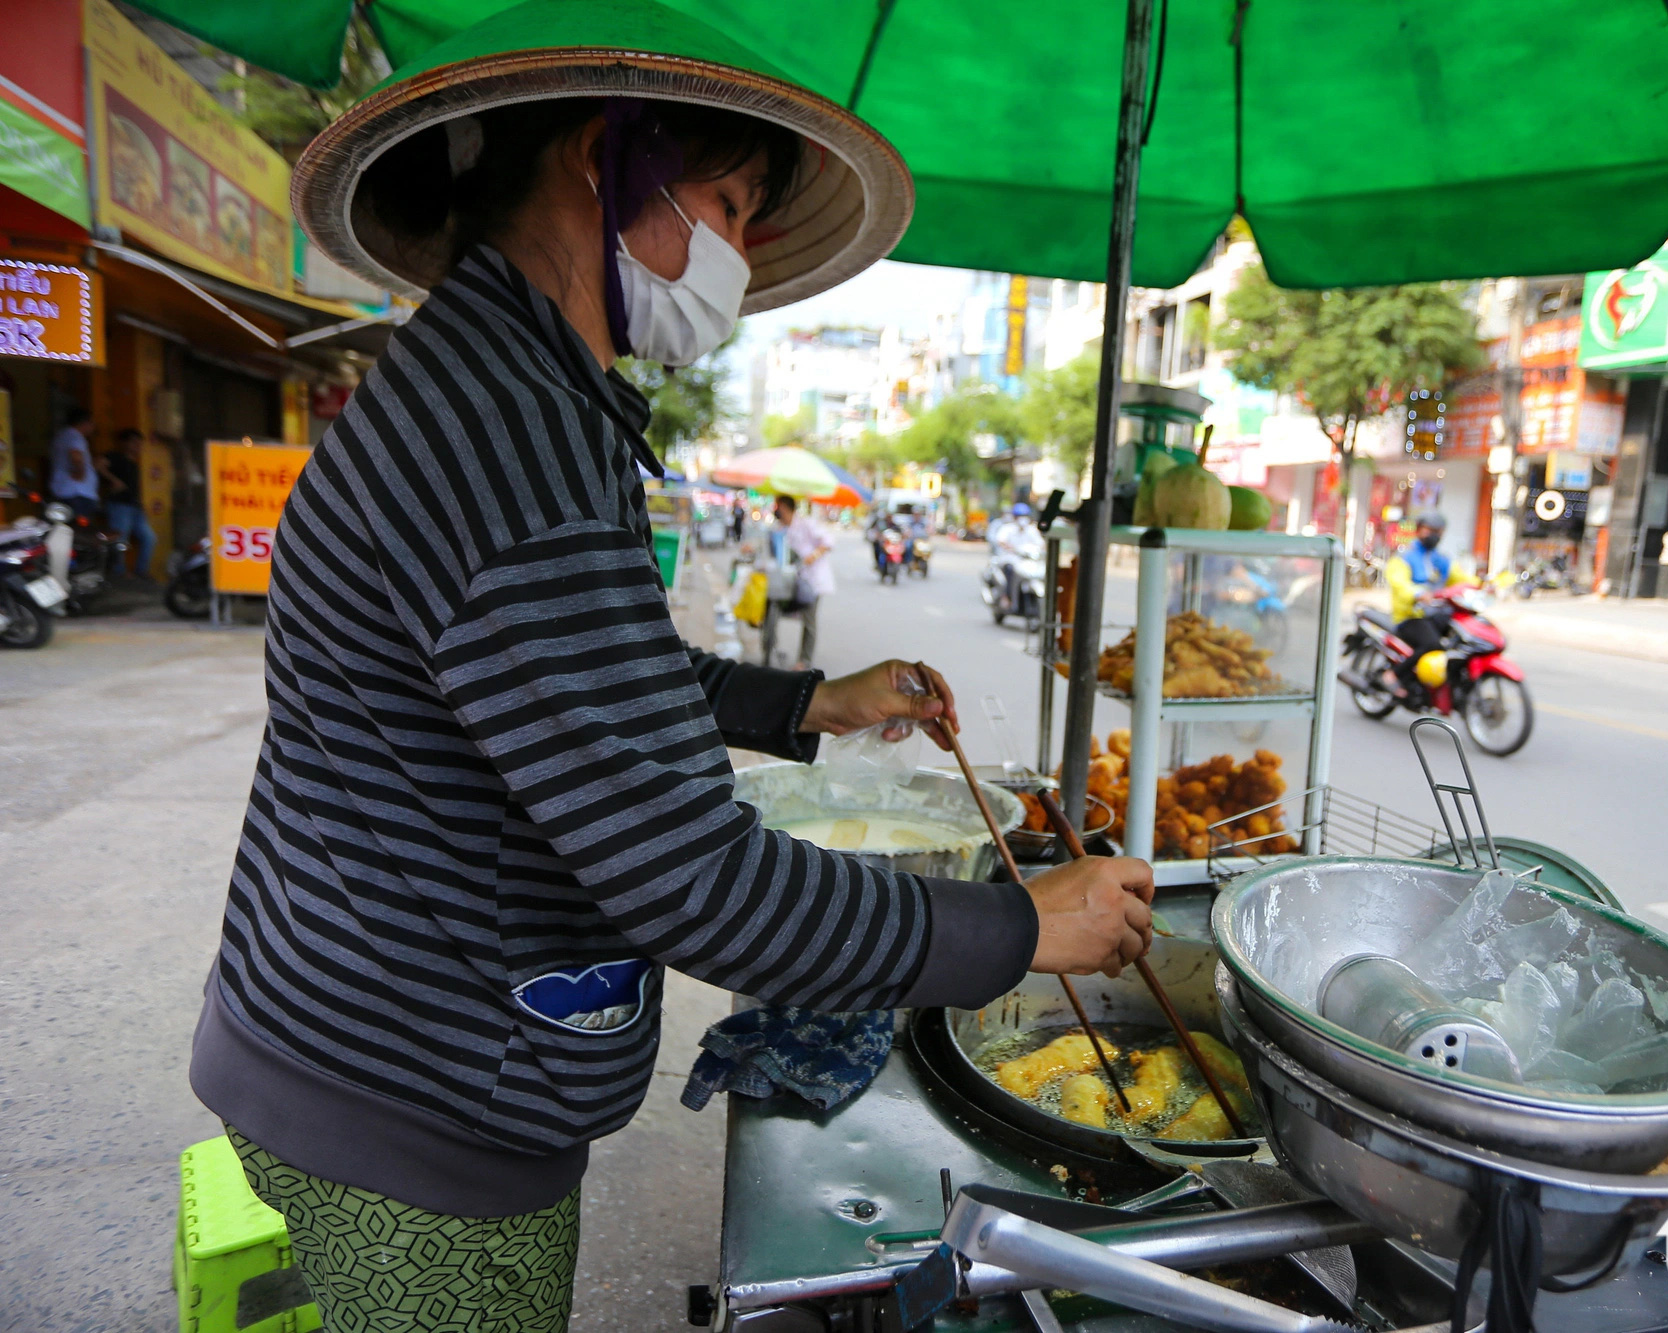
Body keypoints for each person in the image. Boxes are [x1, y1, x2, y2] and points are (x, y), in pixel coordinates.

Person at [186, 15, 1154, 1331]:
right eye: (733, 205)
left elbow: (588, 696)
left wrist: (809, 703)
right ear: (608, 159)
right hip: (408, 1113)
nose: (743, 259)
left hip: (388, 1068)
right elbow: (698, 883)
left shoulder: (528, 392)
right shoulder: (503, 433)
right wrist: (1024, 927)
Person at [1383, 511, 1465, 692]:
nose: (1435, 535)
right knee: (1432, 645)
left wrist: (1485, 585)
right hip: (1410, 616)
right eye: (1431, 530)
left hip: (1436, 615)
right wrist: (1418, 593)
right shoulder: (1405, 557)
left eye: (1439, 531)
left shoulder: (1440, 559)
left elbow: (1461, 579)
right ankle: (1394, 675)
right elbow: (1399, 583)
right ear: (1419, 530)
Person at [762, 492, 830, 669]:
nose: (774, 510)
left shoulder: (806, 524)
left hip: (812, 582)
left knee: (809, 622)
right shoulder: (780, 529)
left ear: (783, 507)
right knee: (771, 611)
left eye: (776, 506)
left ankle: (804, 661)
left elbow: (829, 541)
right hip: (790, 580)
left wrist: (812, 556)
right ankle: (769, 650)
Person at [99, 428, 156, 579]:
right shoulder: (114, 456)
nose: (138, 446)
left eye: (139, 443)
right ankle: (119, 572)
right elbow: (98, 464)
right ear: (125, 443)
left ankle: (141, 570)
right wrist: (114, 480)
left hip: (135, 507)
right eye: (134, 442)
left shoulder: (135, 464)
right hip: (119, 505)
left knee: (149, 537)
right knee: (120, 539)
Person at [47, 406, 99, 521]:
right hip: (77, 493)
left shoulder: (62, 436)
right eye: (92, 423)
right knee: (78, 531)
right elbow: (75, 455)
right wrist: (80, 472)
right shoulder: (75, 436)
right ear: (85, 423)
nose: (93, 427)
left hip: (64, 491)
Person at [992, 500, 1037, 612]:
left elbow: (1041, 544)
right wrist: (1010, 547)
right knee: (1010, 570)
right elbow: (1000, 540)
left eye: (1024, 516)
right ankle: (1007, 597)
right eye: (1019, 516)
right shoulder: (1008, 528)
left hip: (1027, 560)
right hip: (1010, 559)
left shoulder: (1032, 530)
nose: (1022, 519)